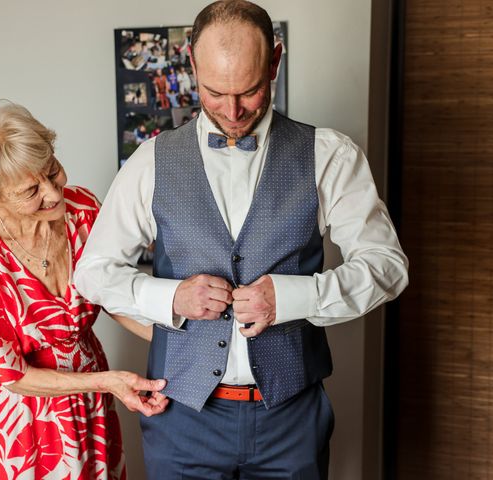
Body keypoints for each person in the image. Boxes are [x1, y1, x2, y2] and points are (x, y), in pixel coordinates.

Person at [74, 1, 409, 478]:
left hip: (291, 419)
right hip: (180, 418)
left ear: (275, 61)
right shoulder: (150, 160)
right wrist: (171, 296)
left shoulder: (329, 154)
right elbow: (93, 274)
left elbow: (387, 267)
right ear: (191, 63)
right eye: (214, 91)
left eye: (250, 91)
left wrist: (294, 296)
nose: (232, 111)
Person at [0, 102, 167, 480]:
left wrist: (180, 338)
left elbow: (112, 297)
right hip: (17, 423)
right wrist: (106, 381)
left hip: (90, 406)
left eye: (52, 171)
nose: (54, 193)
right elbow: (11, 376)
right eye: (31, 190)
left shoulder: (83, 210)